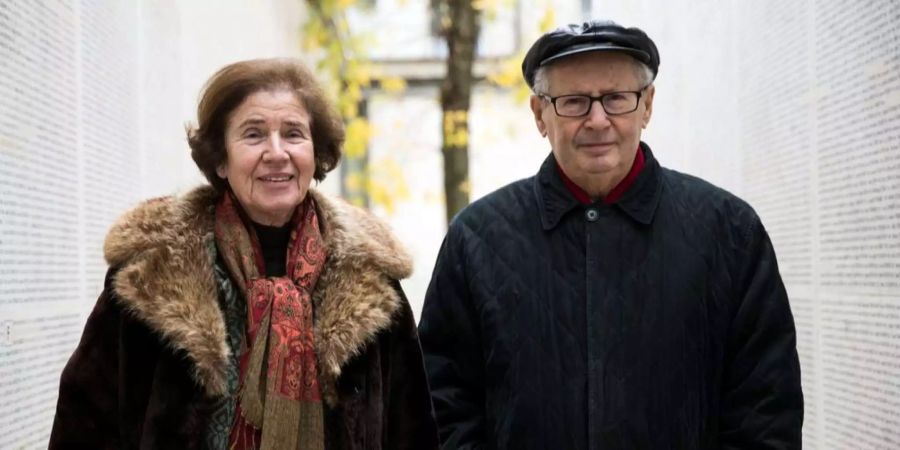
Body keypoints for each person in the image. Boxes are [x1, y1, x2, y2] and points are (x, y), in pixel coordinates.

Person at [418, 20, 803, 449]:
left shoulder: (729, 232)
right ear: (539, 114)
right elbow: (441, 408)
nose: (597, 120)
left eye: (616, 98)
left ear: (647, 105)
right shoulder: (476, 240)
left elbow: (766, 412)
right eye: (574, 101)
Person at [50, 58, 438, 450]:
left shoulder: (369, 278)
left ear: (315, 153)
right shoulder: (152, 272)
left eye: (293, 134)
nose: (276, 152)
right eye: (253, 135)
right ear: (220, 159)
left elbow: (412, 430)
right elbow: (85, 424)